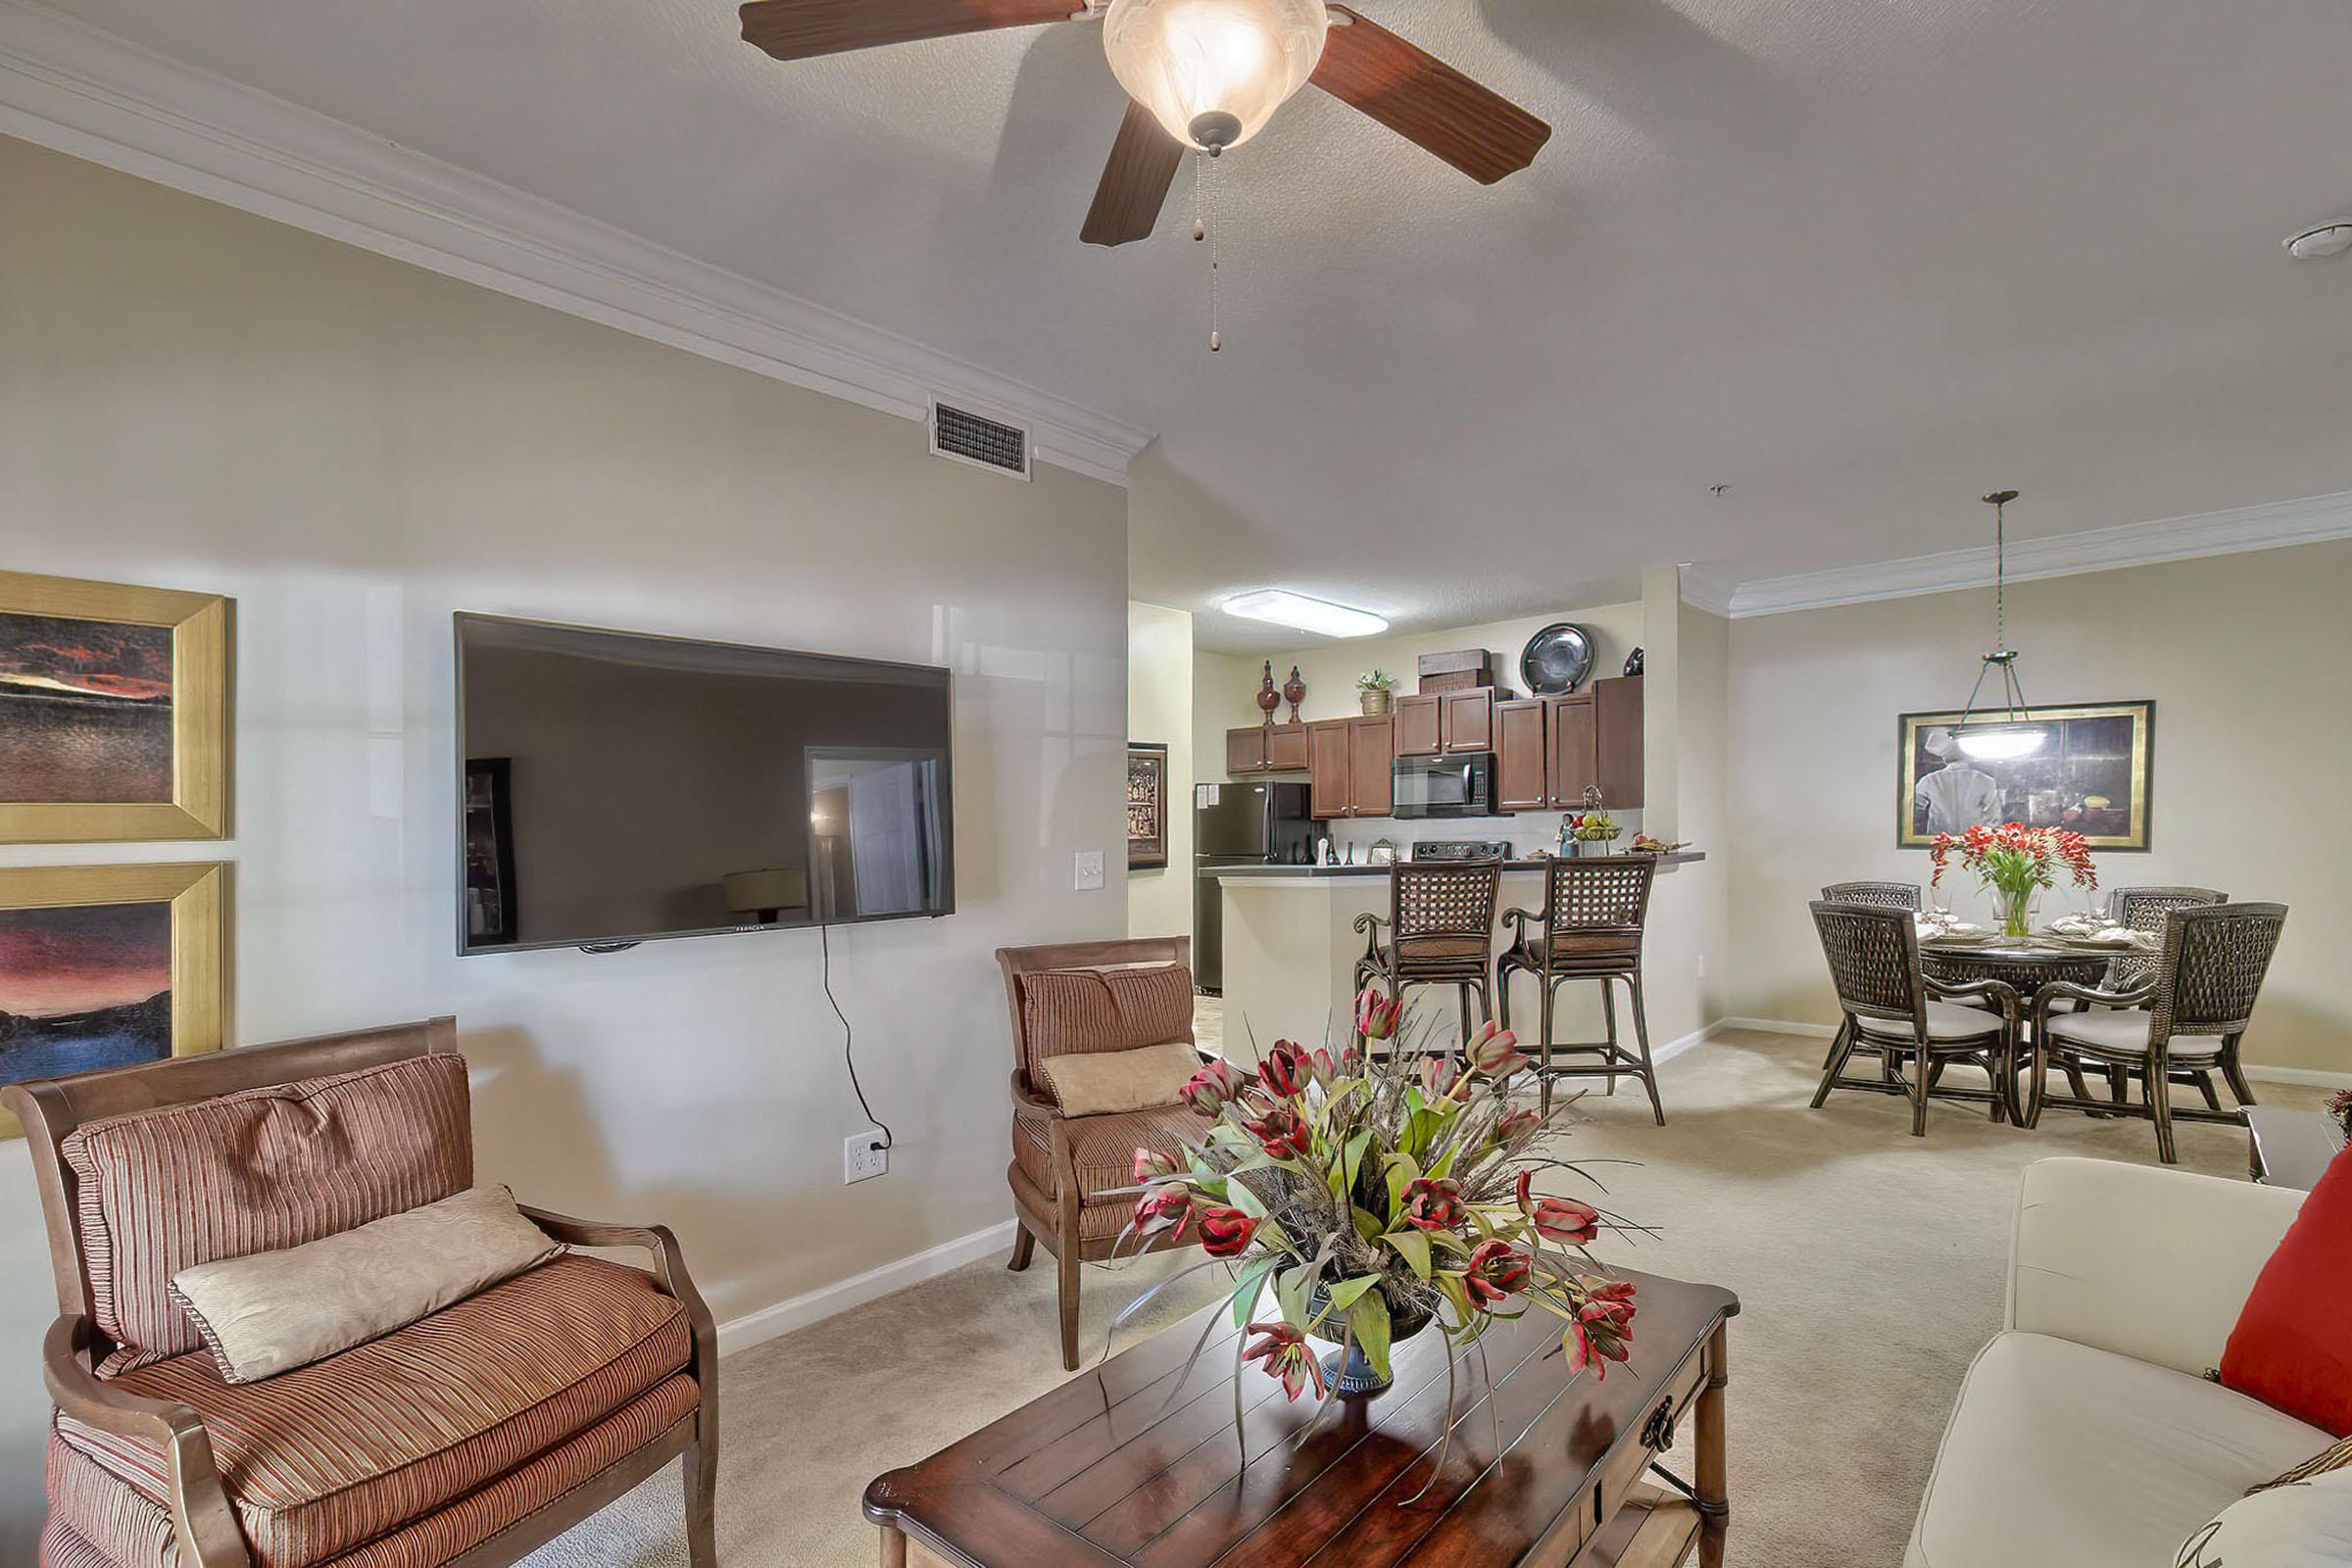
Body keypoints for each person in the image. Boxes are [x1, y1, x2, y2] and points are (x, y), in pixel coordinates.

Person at [1914, 727, 2003, 836]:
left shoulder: (1929, 780)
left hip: (1937, 843)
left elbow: (1912, 812)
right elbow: (1995, 819)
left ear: (1943, 758)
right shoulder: (1986, 781)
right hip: (1973, 844)